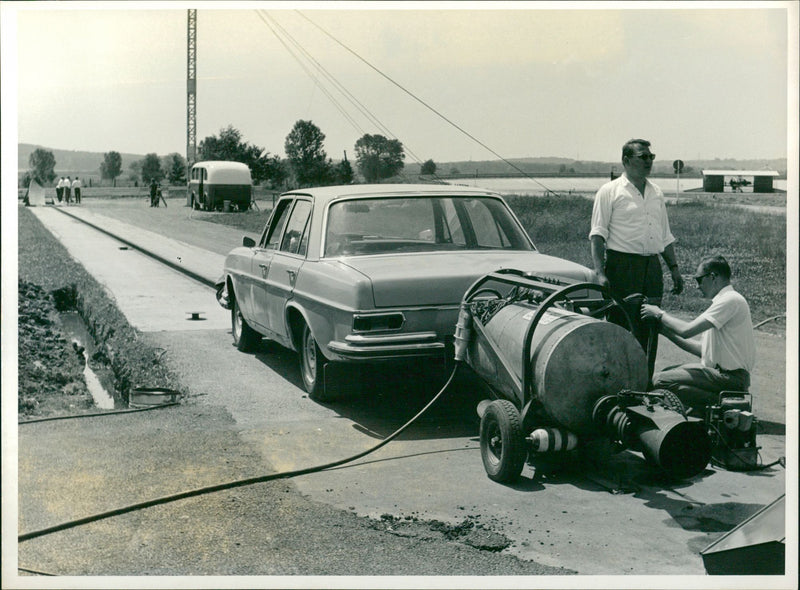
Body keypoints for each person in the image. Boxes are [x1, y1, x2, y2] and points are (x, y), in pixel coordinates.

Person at [589, 139, 684, 380]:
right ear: (626, 161)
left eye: (651, 157)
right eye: (643, 157)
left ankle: (644, 383)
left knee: (650, 327)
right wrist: (600, 274)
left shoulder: (656, 193)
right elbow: (598, 236)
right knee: (621, 328)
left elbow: (664, 236)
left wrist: (674, 269)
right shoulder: (609, 191)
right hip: (622, 268)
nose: (648, 161)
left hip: (651, 269)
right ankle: (618, 385)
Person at [641, 255, 755, 417]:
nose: (697, 286)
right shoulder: (725, 301)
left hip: (730, 378)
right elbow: (702, 350)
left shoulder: (731, 300)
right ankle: (712, 406)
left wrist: (659, 314)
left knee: (660, 380)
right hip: (725, 376)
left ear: (713, 277)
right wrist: (664, 331)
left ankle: (721, 405)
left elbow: (687, 330)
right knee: (668, 373)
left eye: (699, 280)